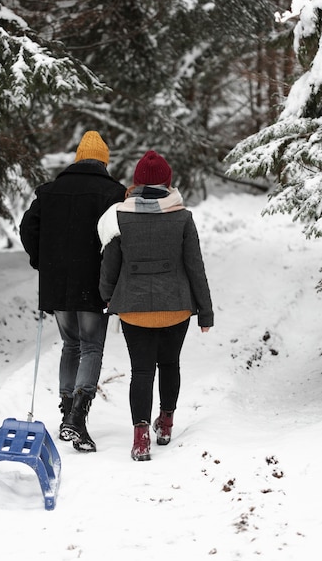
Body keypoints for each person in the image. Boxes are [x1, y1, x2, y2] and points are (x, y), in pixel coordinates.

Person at [97, 150, 213, 461]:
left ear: (136, 183)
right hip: (176, 307)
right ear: (168, 181)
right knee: (170, 364)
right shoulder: (182, 217)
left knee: (142, 371)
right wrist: (205, 310)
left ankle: (140, 439)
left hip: (134, 309)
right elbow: (194, 266)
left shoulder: (120, 216)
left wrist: (107, 296)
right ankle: (166, 422)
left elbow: (110, 265)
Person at [19, 131, 126, 453]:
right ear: (104, 162)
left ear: (77, 158)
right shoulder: (113, 193)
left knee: (70, 345)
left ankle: (67, 411)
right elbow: (120, 238)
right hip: (94, 282)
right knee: (91, 346)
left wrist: (41, 261)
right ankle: (77, 418)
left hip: (58, 283)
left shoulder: (50, 192)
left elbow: (27, 228)